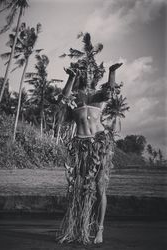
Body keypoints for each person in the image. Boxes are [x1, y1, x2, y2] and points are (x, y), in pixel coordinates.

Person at [57, 62, 123, 245]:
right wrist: (70, 77)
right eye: (84, 71)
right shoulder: (76, 97)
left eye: (91, 71)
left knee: (100, 188)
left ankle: (99, 229)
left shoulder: (98, 95)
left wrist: (111, 73)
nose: (87, 73)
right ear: (80, 75)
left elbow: (110, 92)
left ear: (94, 75)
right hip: (80, 147)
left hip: (99, 145)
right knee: (80, 189)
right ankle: (79, 227)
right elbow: (63, 98)